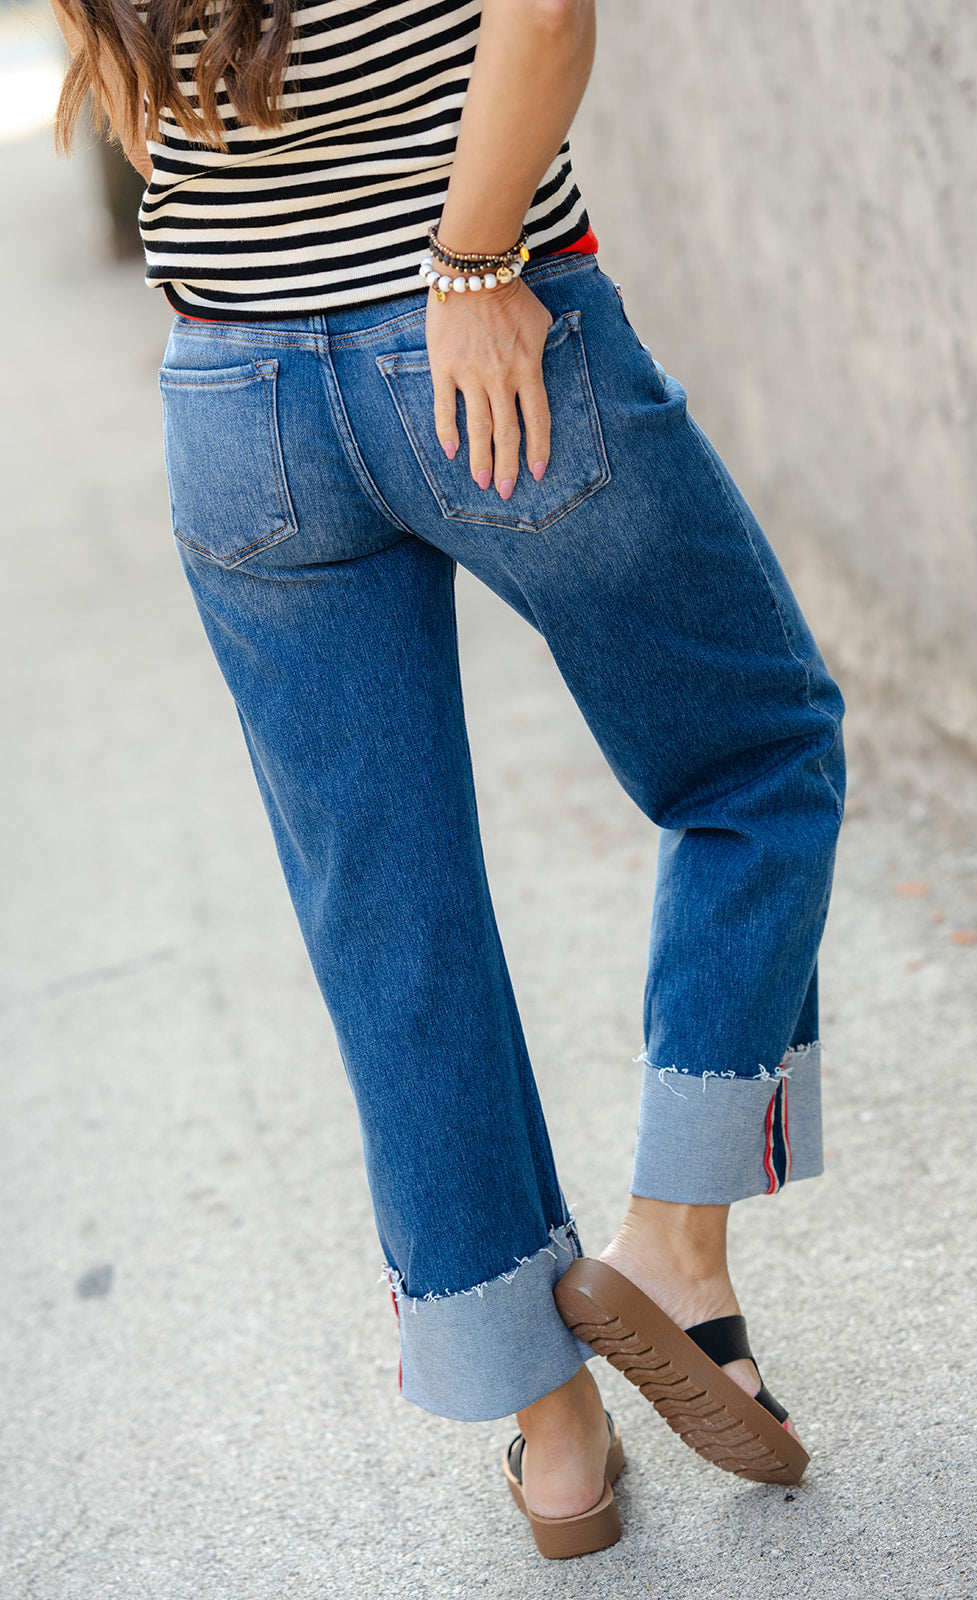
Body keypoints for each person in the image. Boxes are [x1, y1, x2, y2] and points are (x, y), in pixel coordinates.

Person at [51, 0, 845, 1560]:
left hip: (234, 400)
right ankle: (676, 1252)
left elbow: (163, 101)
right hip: (478, 334)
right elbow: (540, 14)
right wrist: (472, 265)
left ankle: (558, 1446)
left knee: (386, 916)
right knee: (758, 750)